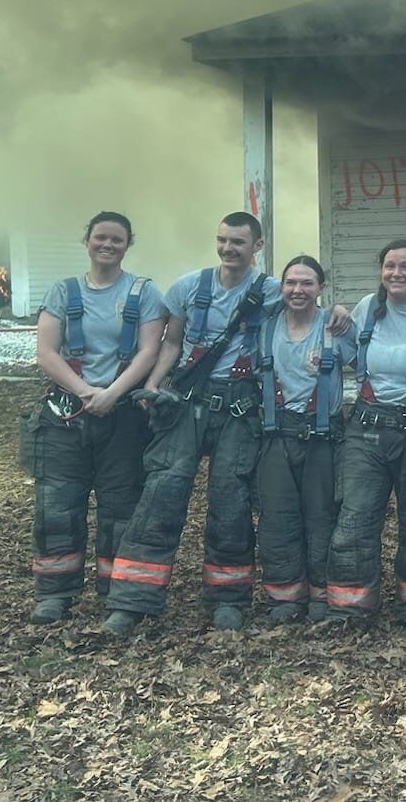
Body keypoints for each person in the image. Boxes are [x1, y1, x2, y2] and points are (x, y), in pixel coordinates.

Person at [103, 212, 283, 636]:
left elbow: (310, 313)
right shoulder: (187, 287)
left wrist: (342, 313)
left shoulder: (272, 292)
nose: (228, 249)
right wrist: (152, 386)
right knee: (160, 492)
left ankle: (228, 599)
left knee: (231, 499)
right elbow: (172, 343)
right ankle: (131, 600)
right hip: (188, 402)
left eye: (238, 242)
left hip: (240, 407)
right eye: (222, 240)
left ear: (256, 246)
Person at [26, 212, 165, 623]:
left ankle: (119, 596)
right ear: (86, 240)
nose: (107, 245)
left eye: (116, 239)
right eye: (100, 237)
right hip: (66, 415)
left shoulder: (144, 292)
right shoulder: (62, 291)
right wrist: (86, 391)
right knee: (57, 507)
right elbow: (46, 352)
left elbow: (148, 351)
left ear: (128, 244)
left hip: (122, 418)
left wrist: (112, 394)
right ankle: (54, 593)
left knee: (121, 509)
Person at [325, 239, 406, 632]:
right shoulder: (367, 308)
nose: (396, 274)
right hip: (367, 430)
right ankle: (351, 606)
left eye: (405, 266)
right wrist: (336, 314)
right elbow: (343, 347)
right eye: (389, 266)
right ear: (381, 270)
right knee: (355, 518)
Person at [255, 255, 356, 625]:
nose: (298, 290)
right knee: (277, 519)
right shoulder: (264, 329)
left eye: (307, 283)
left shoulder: (337, 328)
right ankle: (284, 596)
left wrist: (343, 311)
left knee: (321, 518)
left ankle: (322, 595)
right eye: (291, 283)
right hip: (275, 436)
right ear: (281, 287)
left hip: (322, 439)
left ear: (321, 288)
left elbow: (368, 364)